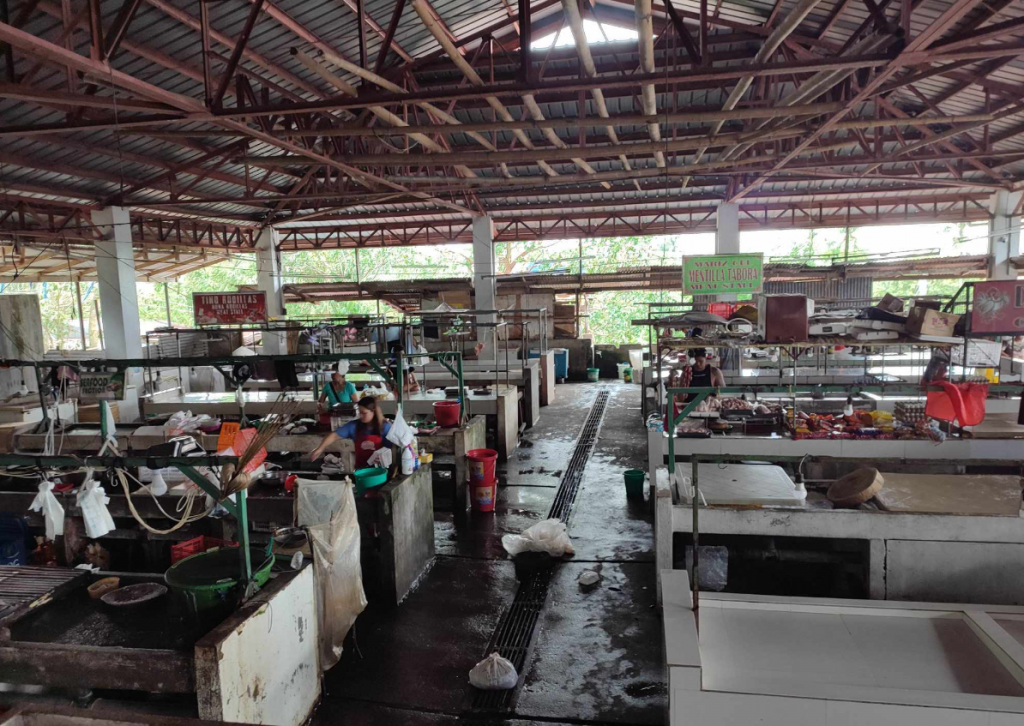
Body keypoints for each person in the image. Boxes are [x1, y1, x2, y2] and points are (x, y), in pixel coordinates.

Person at [310, 396, 392, 468]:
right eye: (359, 413)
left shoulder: (385, 427)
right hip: (361, 469)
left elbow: (391, 449)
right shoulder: (354, 426)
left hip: (381, 470)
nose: (361, 416)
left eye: (364, 413)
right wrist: (320, 449)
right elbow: (334, 435)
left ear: (373, 411)